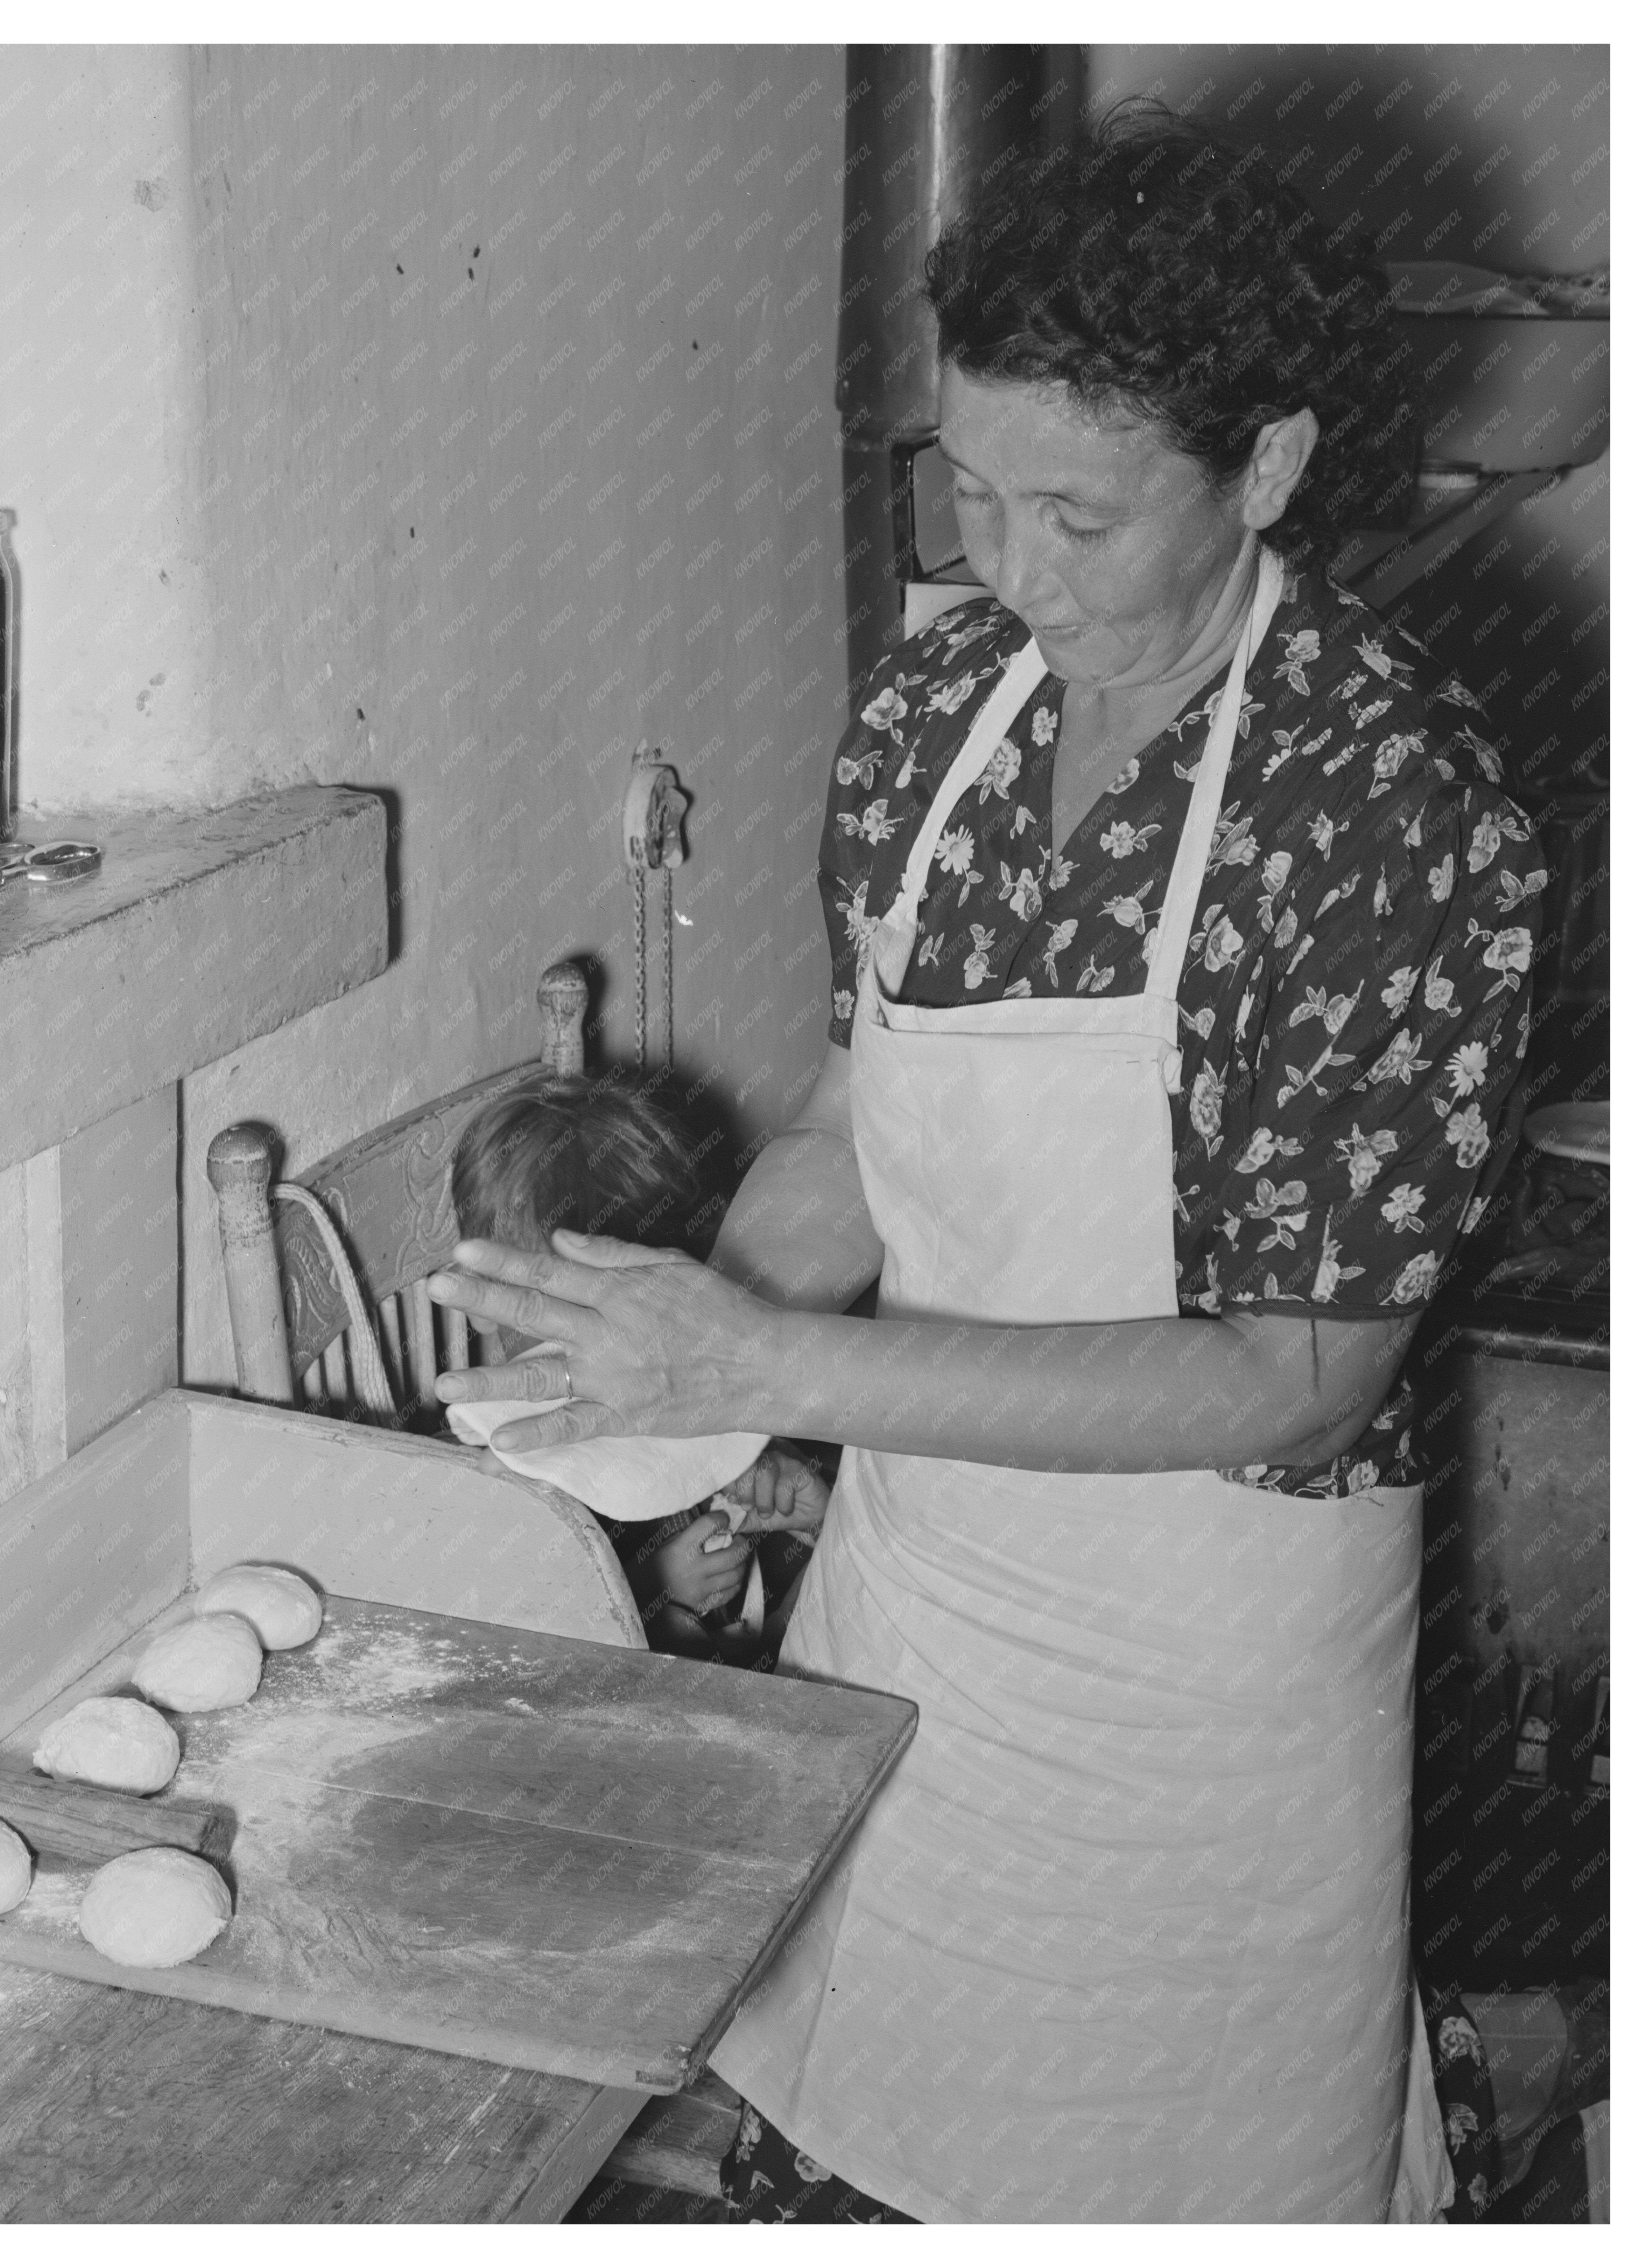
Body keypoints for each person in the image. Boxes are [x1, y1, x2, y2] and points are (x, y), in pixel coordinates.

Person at [431, 110, 1544, 2223]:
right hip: (922, 1594)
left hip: (1200, 1677)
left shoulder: (1384, 809)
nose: (1010, 570)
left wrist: (782, 1367)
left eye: (1082, 514)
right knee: (853, 2116)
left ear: (1271, 467)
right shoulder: (937, 715)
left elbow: (1292, 1373)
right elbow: (869, 1125)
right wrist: (676, 1363)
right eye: (971, 487)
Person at [449, 1071, 826, 1664]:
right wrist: (650, 1589)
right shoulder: (485, 1475)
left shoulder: (693, 1387)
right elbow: (517, 1644)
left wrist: (797, 1523)